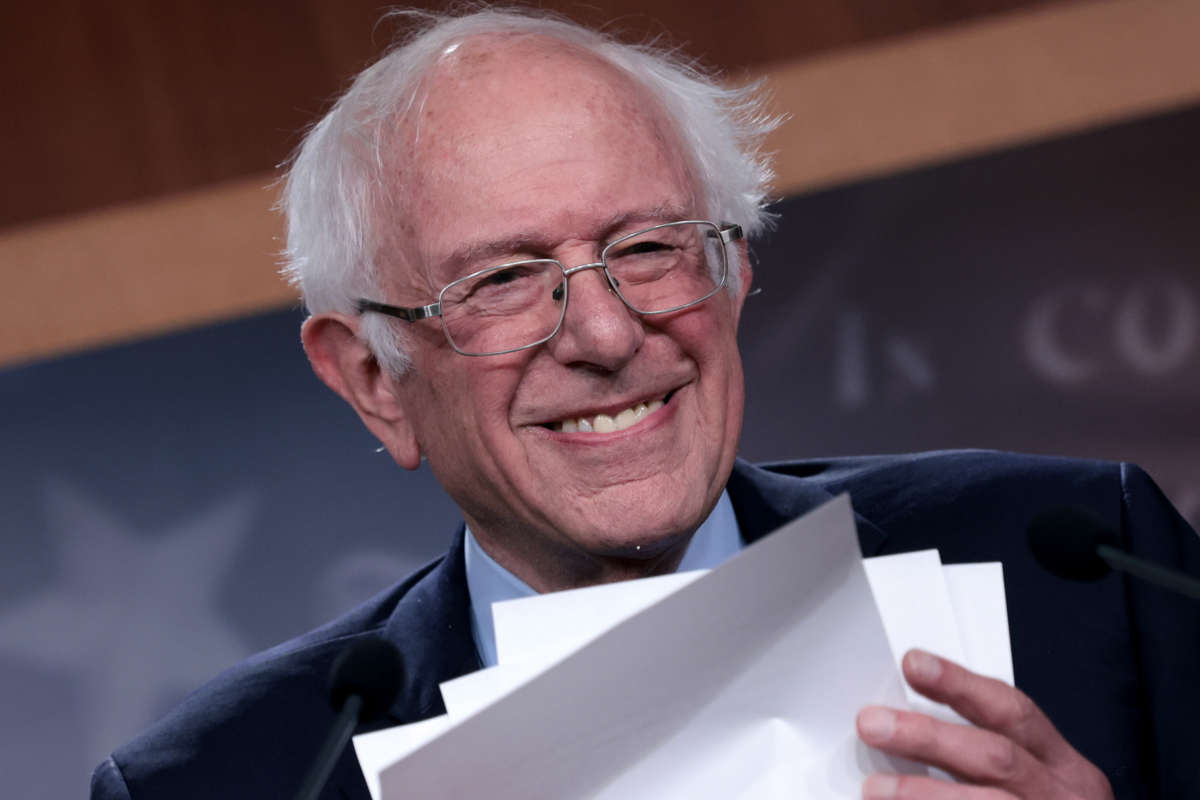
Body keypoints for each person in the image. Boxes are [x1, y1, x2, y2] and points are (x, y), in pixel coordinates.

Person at [91, 8, 1200, 799]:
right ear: (373, 379)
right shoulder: (219, 781)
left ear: (734, 272)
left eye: (651, 246)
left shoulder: (1085, 569)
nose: (610, 332)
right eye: (502, 280)